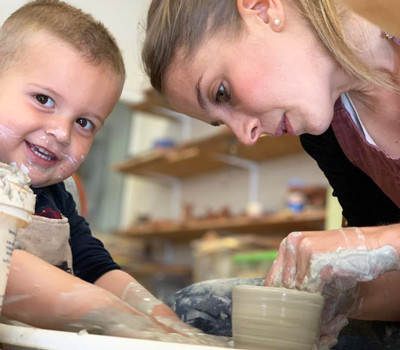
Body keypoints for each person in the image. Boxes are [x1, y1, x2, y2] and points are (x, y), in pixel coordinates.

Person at [142, 0, 400, 348]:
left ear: (263, 9)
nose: (245, 137)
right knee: (198, 311)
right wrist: (347, 296)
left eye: (222, 93)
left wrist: (377, 242)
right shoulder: (325, 129)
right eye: (222, 121)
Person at [0, 1, 227, 346]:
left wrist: (165, 324)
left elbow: (97, 267)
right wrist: (107, 313)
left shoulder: (55, 196)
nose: (62, 133)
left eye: (84, 122)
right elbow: (7, 271)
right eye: (44, 99)